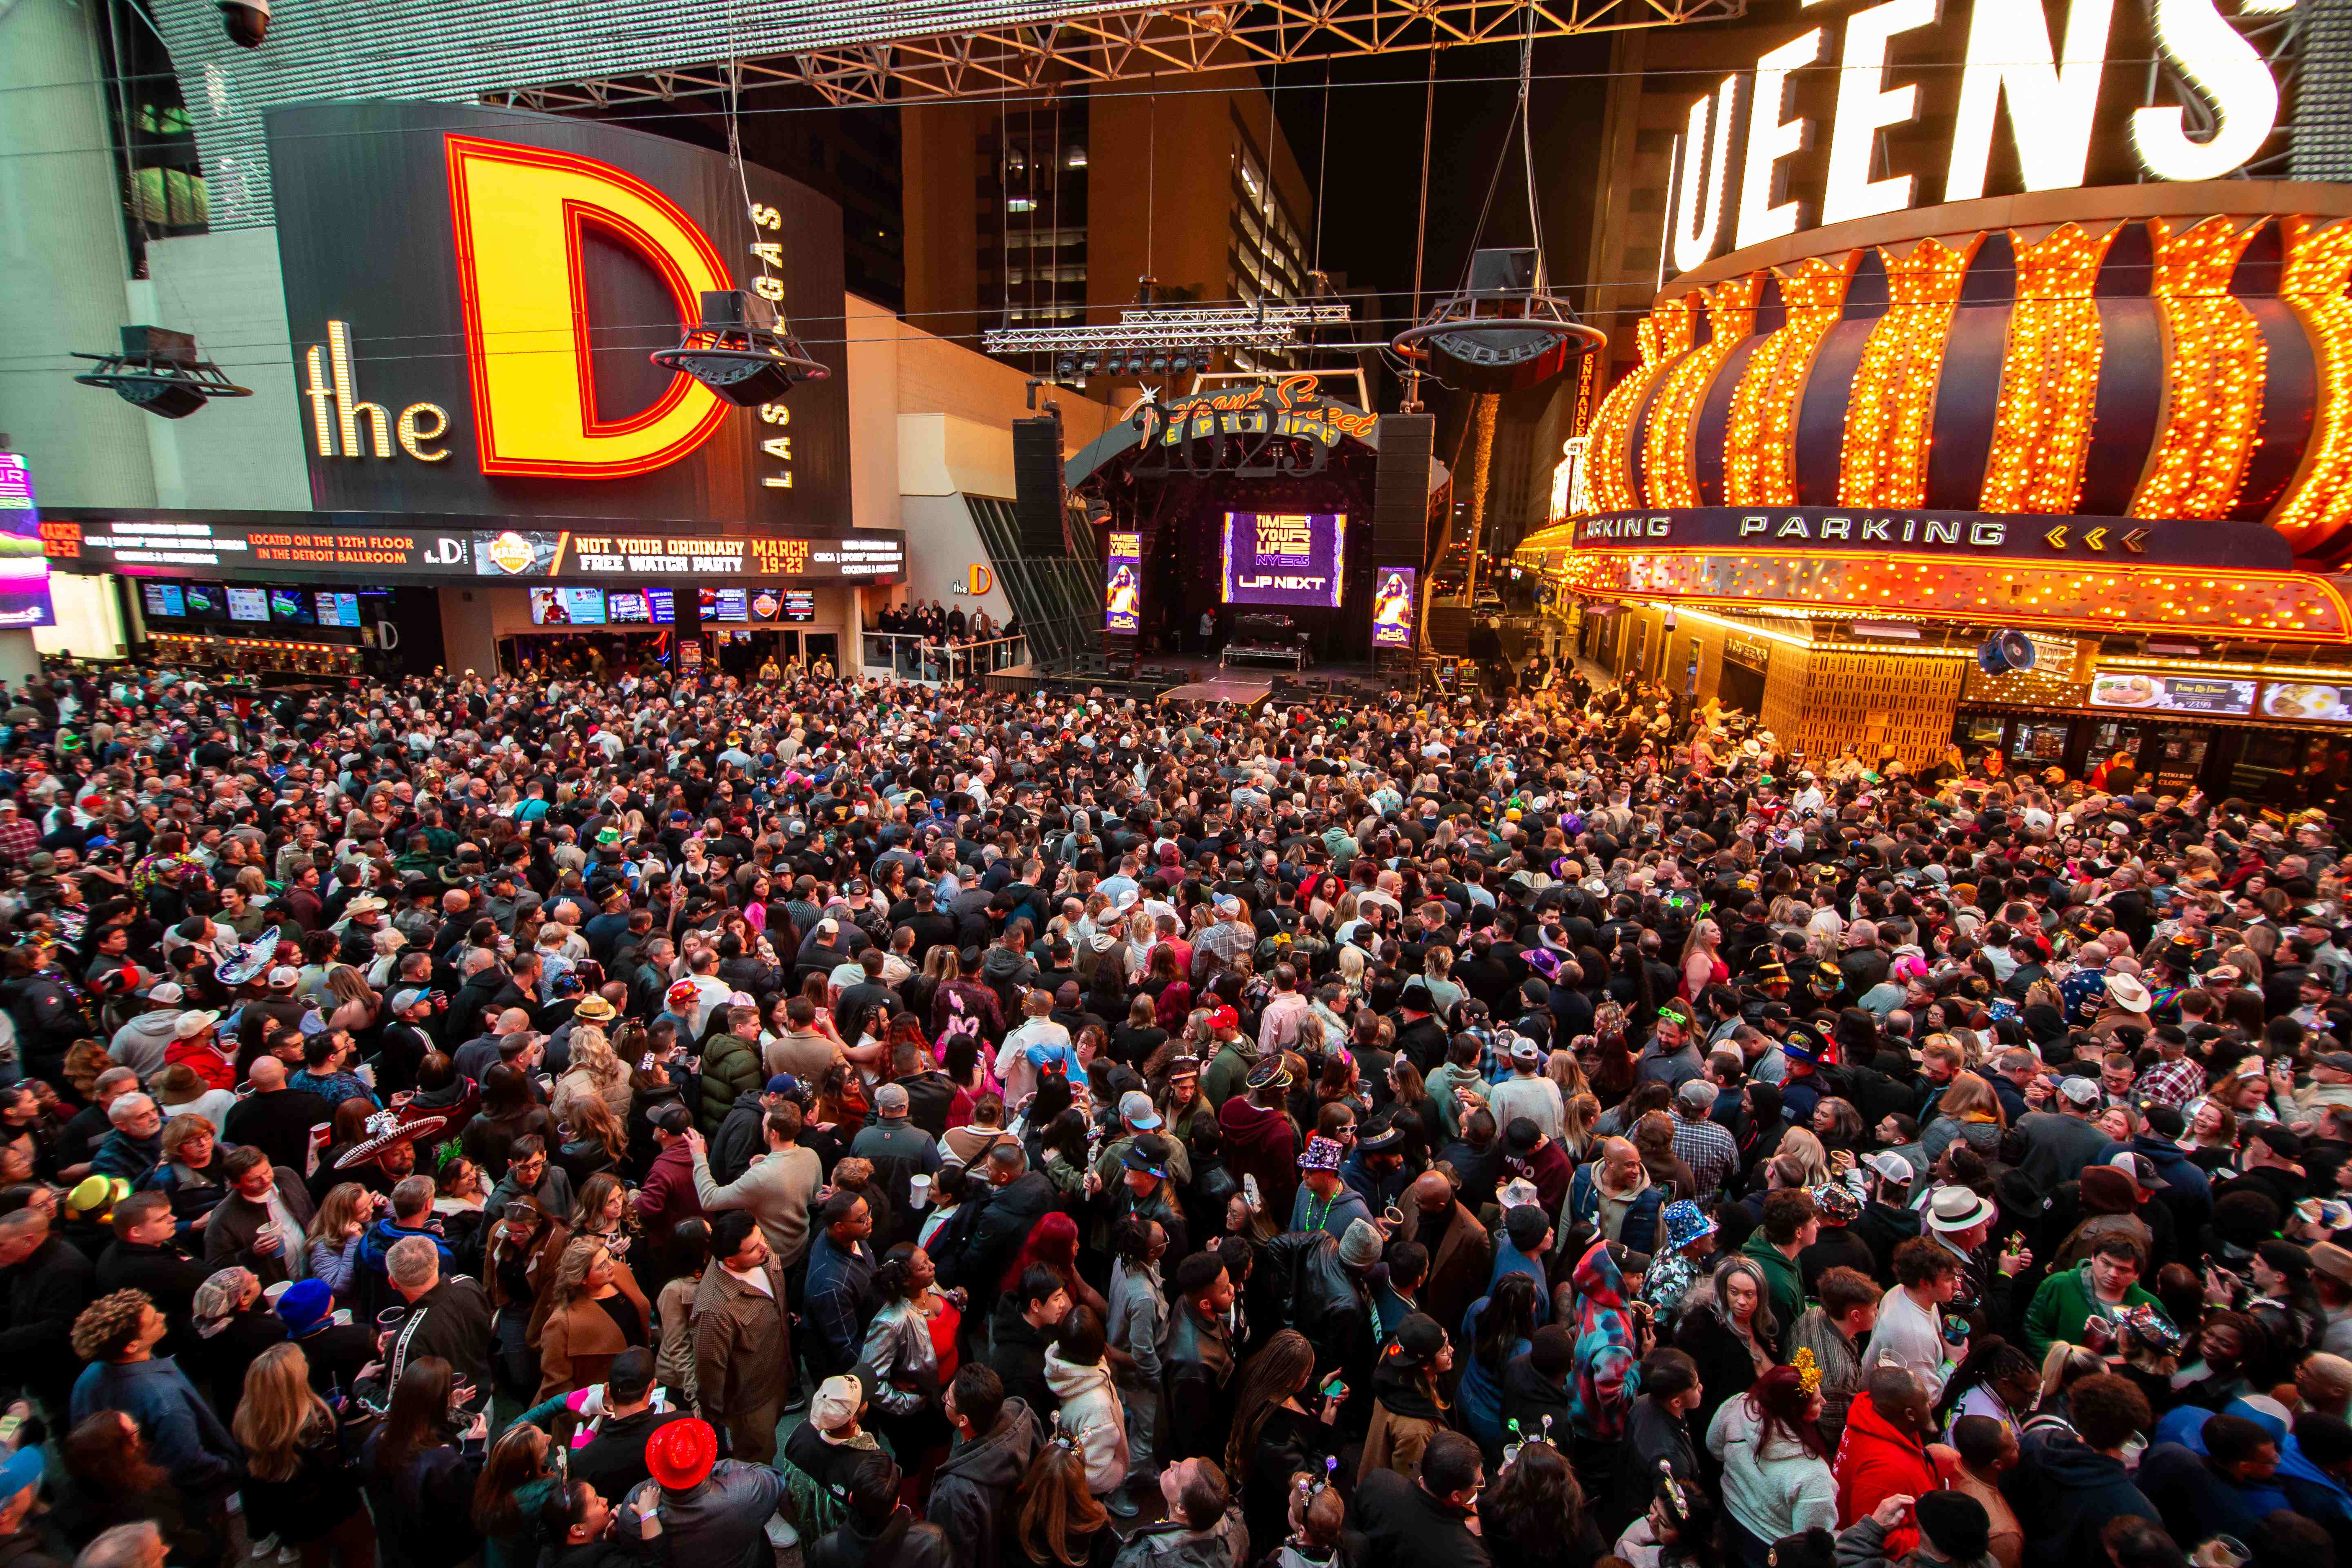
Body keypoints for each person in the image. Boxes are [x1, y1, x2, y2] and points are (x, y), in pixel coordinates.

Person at [67, 1290, 241, 1510]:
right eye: (152, 1321)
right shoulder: (164, 1399)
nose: (162, 1317)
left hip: (127, 1497)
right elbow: (191, 1463)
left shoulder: (88, 1377)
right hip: (188, 1503)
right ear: (132, 1346)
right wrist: (230, 1468)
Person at [232, 1343, 374, 1568]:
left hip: (294, 1521)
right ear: (293, 1382)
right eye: (302, 1363)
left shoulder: (249, 1425)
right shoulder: (318, 1424)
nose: (306, 1364)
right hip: (338, 1514)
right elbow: (339, 1476)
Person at [690, 1210, 791, 1465]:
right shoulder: (714, 1310)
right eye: (753, 1249)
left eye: (762, 1239)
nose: (765, 1248)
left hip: (779, 1373)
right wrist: (718, 1414)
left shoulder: (760, 1251)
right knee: (758, 1460)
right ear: (731, 1261)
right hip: (751, 1401)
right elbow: (709, 1369)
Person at [929, 1364, 1040, 1568]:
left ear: (963, 1420)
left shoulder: (954, 1492)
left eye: (948, 1399)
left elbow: (958, 1558)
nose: (945, 1399)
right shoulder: (1022, 1414)